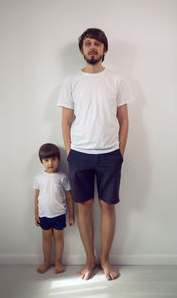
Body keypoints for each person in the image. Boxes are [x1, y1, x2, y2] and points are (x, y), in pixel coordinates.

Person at [57, 28, 131, 280]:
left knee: (107, 206)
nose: (93, 47)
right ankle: (90, 260)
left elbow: (124, 119)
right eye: (88, 43)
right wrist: (70, 151)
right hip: (79, 154)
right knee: (84, 207)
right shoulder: (70, 81)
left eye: (98, 44)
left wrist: (120, 152)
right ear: (81, 50)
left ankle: (106, 260)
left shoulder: (117, 80)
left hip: (110, 154)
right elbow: (66, 121)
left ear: (104, 50)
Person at [33, 143, 75, 274]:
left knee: (58, 238)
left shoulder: (63, 177)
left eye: (53, 159)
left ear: (58, 160)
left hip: (59, 214)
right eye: (46, 160)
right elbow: (36, 197)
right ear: (41, 161)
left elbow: (69, 197)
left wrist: (72, 215)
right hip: (44, 214)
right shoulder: (39, 177)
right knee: (46, 238)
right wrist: (36, 214)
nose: (50, 163)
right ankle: (46, 262)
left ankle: (58, 262)